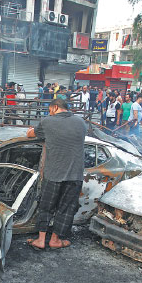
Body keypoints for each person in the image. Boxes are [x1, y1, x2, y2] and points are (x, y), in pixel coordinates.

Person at [25, 99, 86, 250]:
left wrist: (31, 130)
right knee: (66, 208)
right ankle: (55, 240)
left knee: (46, 206)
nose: (49, 113)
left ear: (55, 107)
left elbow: (30, 134)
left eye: (50, 109)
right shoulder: (81, 122)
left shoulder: (47, 122)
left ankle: (40, 240)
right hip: (75, 174)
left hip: (53, 174)